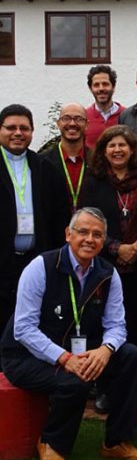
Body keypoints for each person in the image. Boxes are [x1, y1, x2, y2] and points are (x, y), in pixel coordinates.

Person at [0, 207, 137, 460]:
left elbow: (117, 325)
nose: (89, 239)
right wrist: (64, 358)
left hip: (78, 351)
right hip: (26, 356)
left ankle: (117, 442)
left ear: (103, 241)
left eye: (97, 234)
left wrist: (105, 350)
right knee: (75, 380)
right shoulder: (40, 267)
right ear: (68, 234)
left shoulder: (109, 274)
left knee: (129, 355)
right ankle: (51, 443)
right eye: (83, 232)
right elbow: (23, 329)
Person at [0, 104, 68, 335]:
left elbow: (60, 216)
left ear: (32, 131)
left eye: (24, 128)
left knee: (33, 324)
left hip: (36, 261)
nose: (18, 133)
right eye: (11, 128)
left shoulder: (45, 167)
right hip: (2, 262)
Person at [81, 126, 137, 346]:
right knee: (100, 319)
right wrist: (116, 248)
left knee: (131, 320)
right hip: (103, 264)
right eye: (112, 145)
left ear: (132, 150)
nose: (117, 150)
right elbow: (86, 221)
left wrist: (136, 246)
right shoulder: (93, 181)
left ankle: (128, 361)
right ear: (104, 150)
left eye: (122, 145)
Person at [41, 102, 90, 213]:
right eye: (66, 118)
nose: (72, 123)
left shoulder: (98, 161)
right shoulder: (42, 162)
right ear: (58, 123)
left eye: (79, 119)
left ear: (87, 124)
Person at [84, 65, 125, 150]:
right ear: (90, 89)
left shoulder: (127, 115)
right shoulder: (84, 117)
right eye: (96, 85)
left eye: (105, 84)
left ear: (113, 87)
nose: (101, 88)